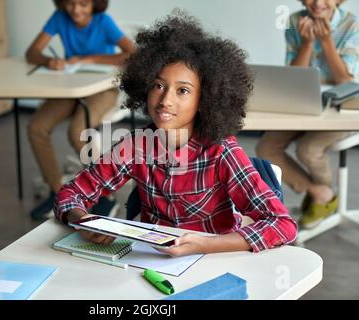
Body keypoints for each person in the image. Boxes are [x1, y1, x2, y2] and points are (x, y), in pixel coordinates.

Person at [54, 11, 298, 256]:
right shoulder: (136, 146)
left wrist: (204, 245)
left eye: (183, 91)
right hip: (149, 260)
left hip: (211, 259)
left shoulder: (222, 152)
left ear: (205, 99)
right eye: (158, 86)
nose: (165, 100)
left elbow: (283, 225)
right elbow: (70, 194)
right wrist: (83, 222)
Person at [26, 0, 135, 220]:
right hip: (71, 87)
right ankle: (58, 192)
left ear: (95, 3)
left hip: (102, 89)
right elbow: (32, 53)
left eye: (83, 3)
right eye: (70, 3)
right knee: (36, 127)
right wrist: (50, 61)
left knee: (77, 132)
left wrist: (88, 58)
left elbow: (131, 54)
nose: (76, 10)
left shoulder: (103, 22)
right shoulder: (59, 18)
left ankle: (105, 195)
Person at [256, 0, 359, 229]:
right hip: (305, 105)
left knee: (308, 149)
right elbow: (293, 77)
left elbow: (346, 80)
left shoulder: (352, 24)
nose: (318, 3)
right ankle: (321, 194)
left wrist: (326, 41)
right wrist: (308, 43)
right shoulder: (294, 21)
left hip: (342, 109)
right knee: (266, 148)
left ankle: (321, 201)